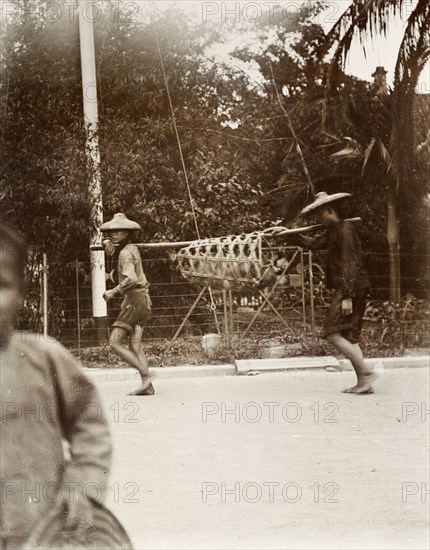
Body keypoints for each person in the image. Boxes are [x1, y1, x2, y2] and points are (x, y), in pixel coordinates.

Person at [0, 223, 114, 547]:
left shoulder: (44, 358)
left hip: (41, 528)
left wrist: (83, 485)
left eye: (0, 284)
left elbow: (89, 422)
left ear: (21, 293)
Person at [297, 192, 380, 394]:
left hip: (351, 288)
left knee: (331, 333)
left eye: (320, 215)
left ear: (331, 211)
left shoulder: (345, 230)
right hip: (351, 288)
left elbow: (351, 264)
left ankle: (366, 374)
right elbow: (315, 244)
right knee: (349, 336)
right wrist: (291, 235)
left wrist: (348, 296)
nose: (318, 219)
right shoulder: (335, 230)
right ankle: (364, 382)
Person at [101, 213, 154, 396]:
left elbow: (130, 279)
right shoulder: (130, 249)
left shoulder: (125, 253)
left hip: (135, 300)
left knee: (114, 342)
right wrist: (107, 244)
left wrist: (113, 292)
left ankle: (147, 375)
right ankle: (147, 387)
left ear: (127, 232)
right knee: (135, 345)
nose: (114, 234)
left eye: (119, 231)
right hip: (142, 300)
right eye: (112, 231)